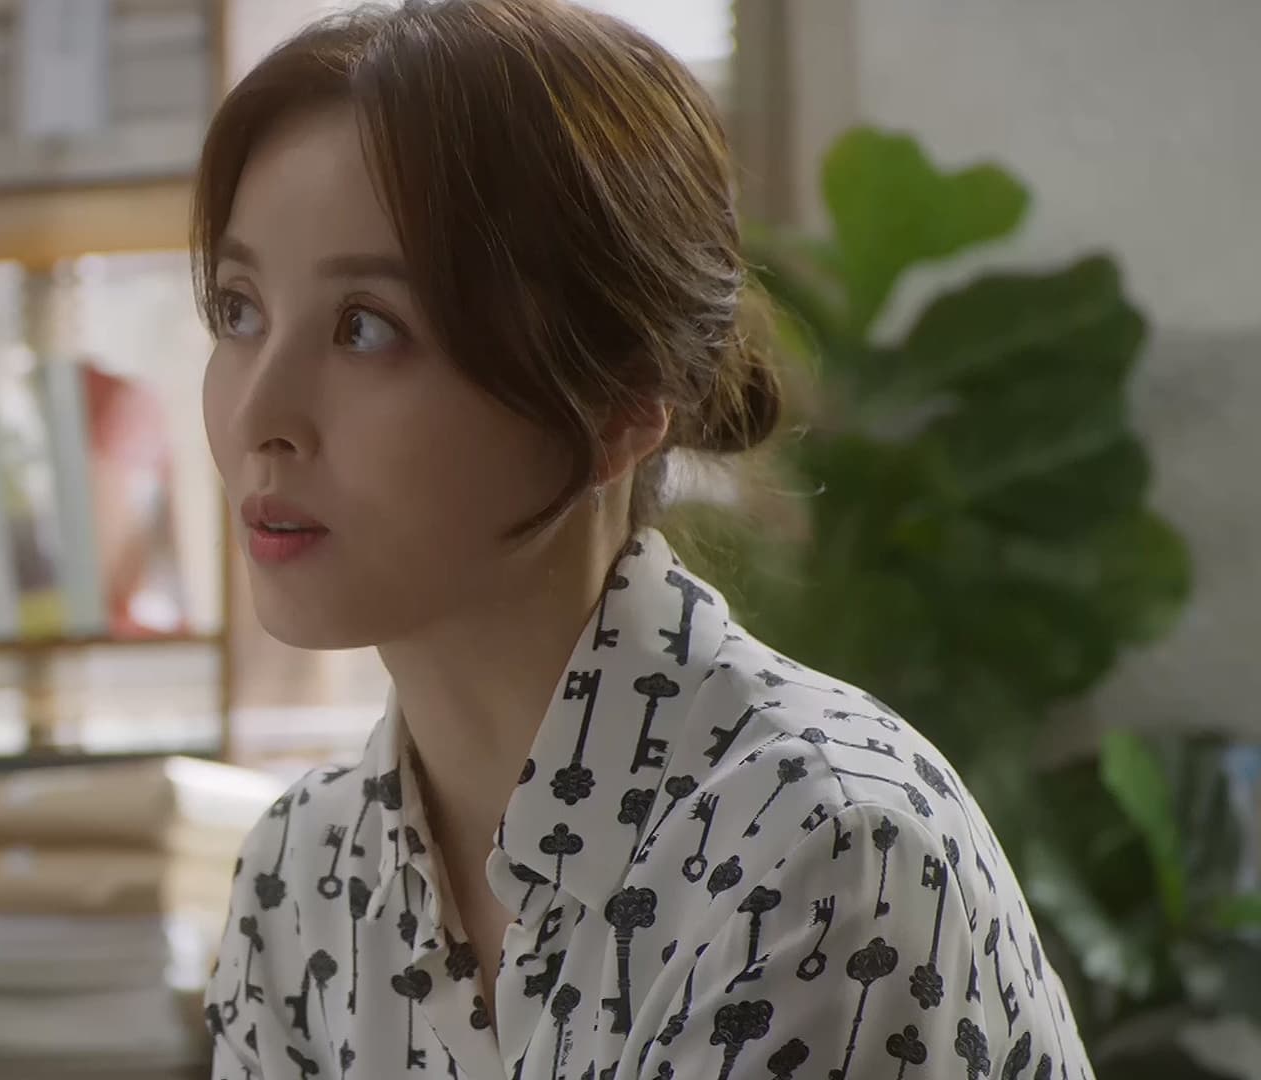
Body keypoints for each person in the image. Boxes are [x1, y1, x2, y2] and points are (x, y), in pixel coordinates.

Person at [195, 1, 1093, 1078]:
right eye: (238, 310)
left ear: (620, 405)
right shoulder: (301, 877)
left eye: (366, 327)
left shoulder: (819, 848)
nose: (258, 414)